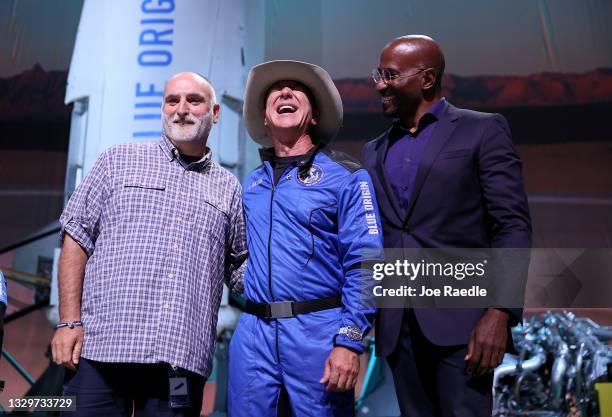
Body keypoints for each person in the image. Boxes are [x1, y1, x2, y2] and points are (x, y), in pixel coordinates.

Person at [51, 72, 247, 417]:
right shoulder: (118, 161)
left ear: (215, 113)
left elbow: (241, 270)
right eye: (173, 100)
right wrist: (68, 323)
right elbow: (76, 238)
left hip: (180, 360)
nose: (182, 109)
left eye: (194, 101)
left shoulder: (229, 188)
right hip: (101, 349)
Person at [362, 35, 532, 417]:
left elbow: (511, 225)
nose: (378, 84)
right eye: (378, 74)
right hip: (398, 325)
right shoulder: (374, 150)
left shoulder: (481, 130)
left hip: (464, 325)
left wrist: (500, 312)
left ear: (426, 79)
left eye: (389, 75)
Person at [228, 60, 384, 417]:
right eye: (275, 90)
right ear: (265, 118)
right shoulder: (251, 184)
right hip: (253, 335)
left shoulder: (347, 177)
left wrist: (350, 340)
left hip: (318, 333)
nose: (285, 92)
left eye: (296, 89)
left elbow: (367, 262)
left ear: (313, 115)